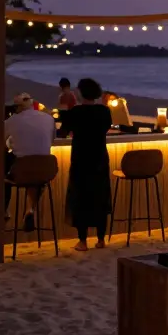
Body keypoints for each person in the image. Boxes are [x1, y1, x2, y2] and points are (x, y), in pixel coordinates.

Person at [65, 79, 112, 251]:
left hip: (81, 159)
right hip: (99, 158)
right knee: (100, 197)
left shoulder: (75, 112)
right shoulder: (104, 111)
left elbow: (65, 131)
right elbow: (105, 128)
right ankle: (101, 239)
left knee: (81, 198)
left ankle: (83, 241)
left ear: (81, 92)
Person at [4, 92, 57, 232]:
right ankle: (30, 210)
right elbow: (52, 140)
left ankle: (4, 212)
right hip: (46, 169)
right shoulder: (48, 118)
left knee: (4, 170)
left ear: (17, 107)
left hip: (22, 170)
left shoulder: (12, 120)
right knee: (36, 179)